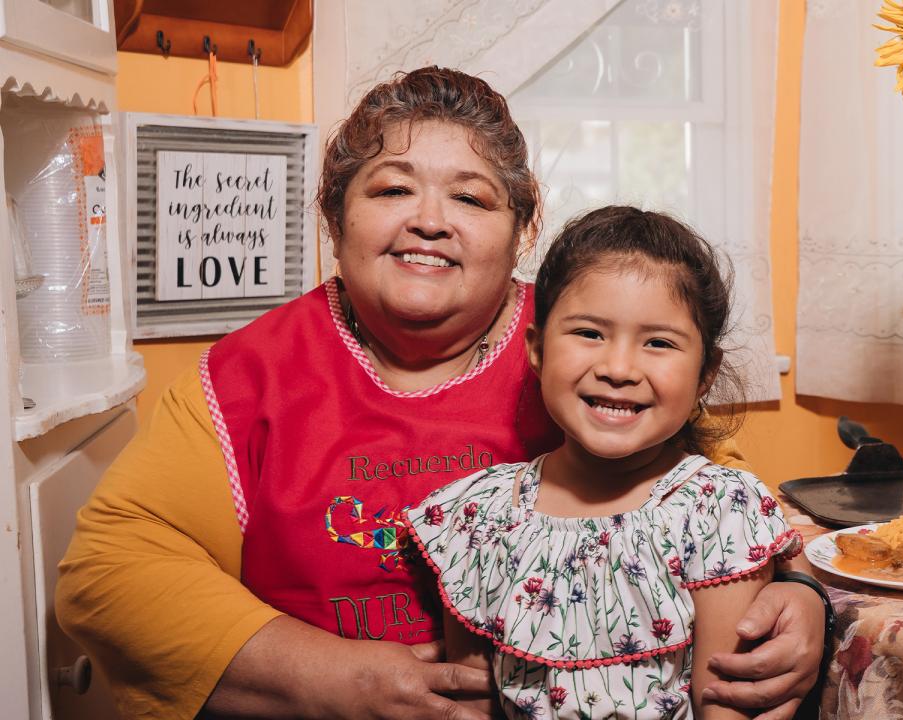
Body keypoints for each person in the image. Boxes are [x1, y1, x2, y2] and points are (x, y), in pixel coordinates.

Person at [54, 67, 827, 720]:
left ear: (522, 233)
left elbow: (715, 515)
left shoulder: (587, 350)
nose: (429, 221)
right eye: (393, 189)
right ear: (335, 216)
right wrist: (339, 680)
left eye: (472, 198)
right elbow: (111, 575)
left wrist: (799, 602)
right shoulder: (246, 373)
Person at [407, 206, 800, 719]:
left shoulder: (719, 512)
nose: (618, 368)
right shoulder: (479, 515)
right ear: (537, 350)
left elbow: (728, 705)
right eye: (589, 333)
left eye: (658, 343)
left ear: (705, 375)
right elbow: (471, 703)